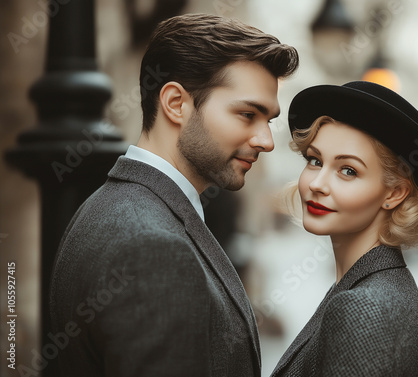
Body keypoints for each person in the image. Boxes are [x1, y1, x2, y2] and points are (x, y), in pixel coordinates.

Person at [50, 13, 299, 376]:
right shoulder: (153, 249)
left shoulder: (107, 206)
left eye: (269, 120)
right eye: (248, 114)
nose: (266, 141)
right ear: (176, 104)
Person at [272, 81, 418, 376]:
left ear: (394, 193)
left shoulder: (365, 308)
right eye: (315, 160)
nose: (317, 184)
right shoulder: (373, 288)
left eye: (348, 170)